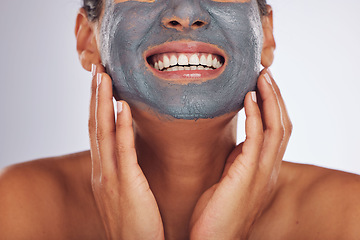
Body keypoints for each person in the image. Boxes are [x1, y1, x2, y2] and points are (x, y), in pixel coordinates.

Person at [0, 0, 359, 239]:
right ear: (87, 39)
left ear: (265, 33)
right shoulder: (18, 206)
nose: (186, 13)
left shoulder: (348, 214)